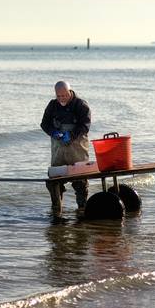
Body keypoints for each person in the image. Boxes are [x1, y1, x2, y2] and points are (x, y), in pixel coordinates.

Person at [40, 81, 91, 215]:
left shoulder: (81, 105)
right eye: (59, 96)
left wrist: (71, 135)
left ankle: (82, 210)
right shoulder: (52, 105)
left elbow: (85, 126)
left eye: (64, 95)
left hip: (77, 151)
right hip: (58, 152)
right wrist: (53, 132)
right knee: (54, 183)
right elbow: (44, 124)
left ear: (70, 91)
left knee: (80, 183)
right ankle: (57, 211)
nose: (61, 98)